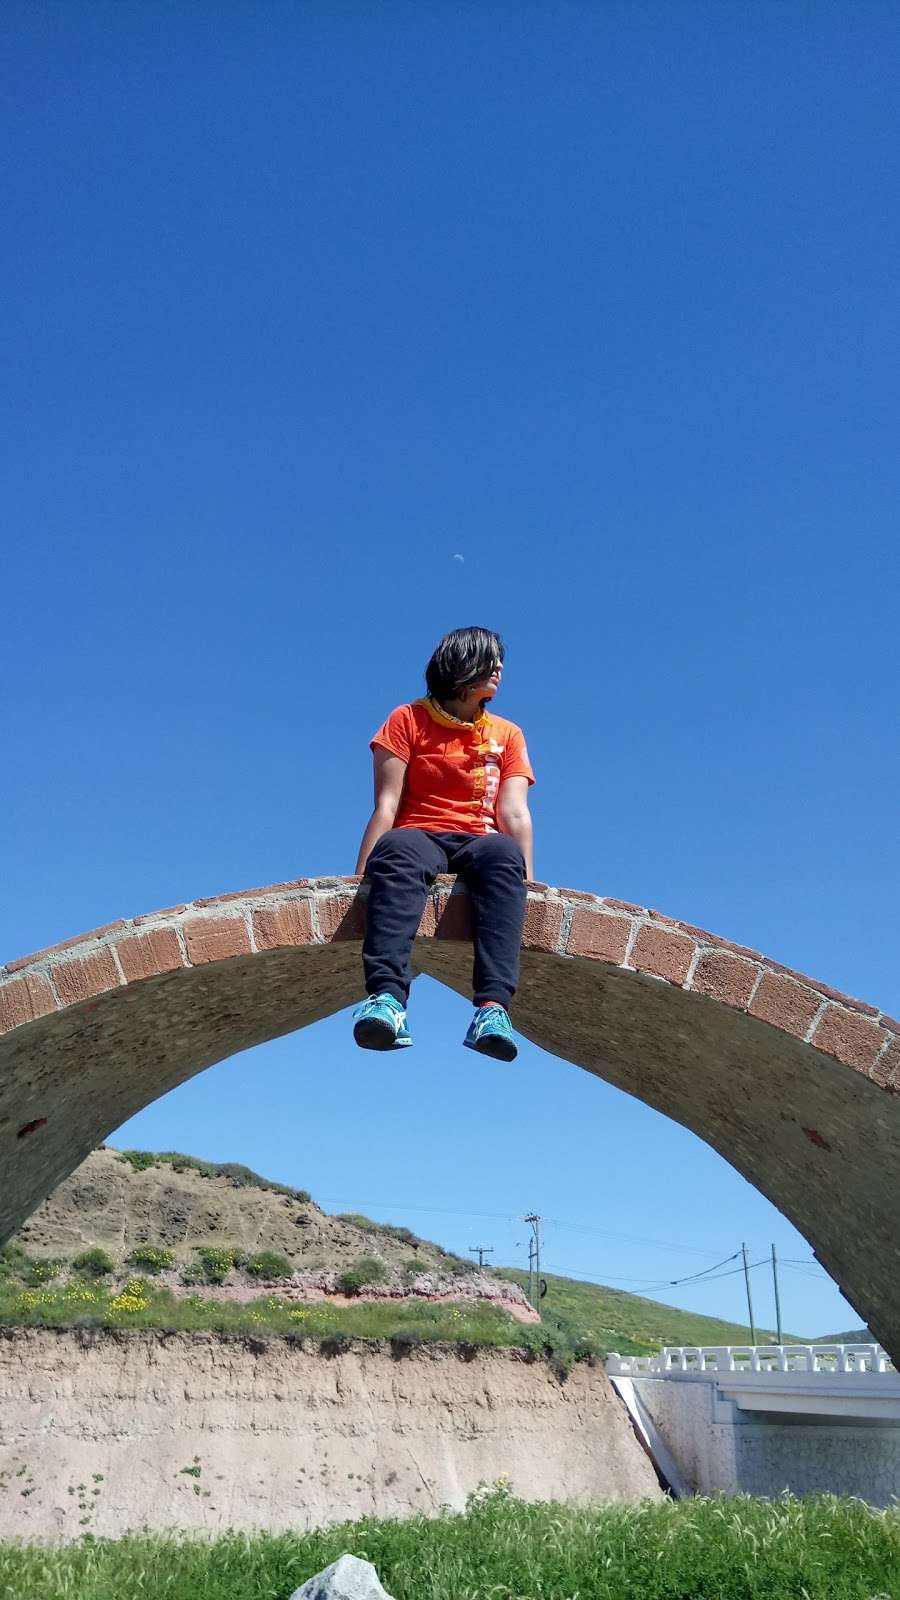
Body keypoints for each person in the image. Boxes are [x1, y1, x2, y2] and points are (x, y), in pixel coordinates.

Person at [352, 626, 535, 1062]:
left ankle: (492, 1010)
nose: (499, 669)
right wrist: (360, 877)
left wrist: (528, 883)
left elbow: (514, 814)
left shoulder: (507, 734)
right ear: (460, 664)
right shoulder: (407, 720)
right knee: (398, 848)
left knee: (504, 854)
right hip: (420, 832)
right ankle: (388, 1002)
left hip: (480, 839)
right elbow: (387, 803)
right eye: (489, 660)